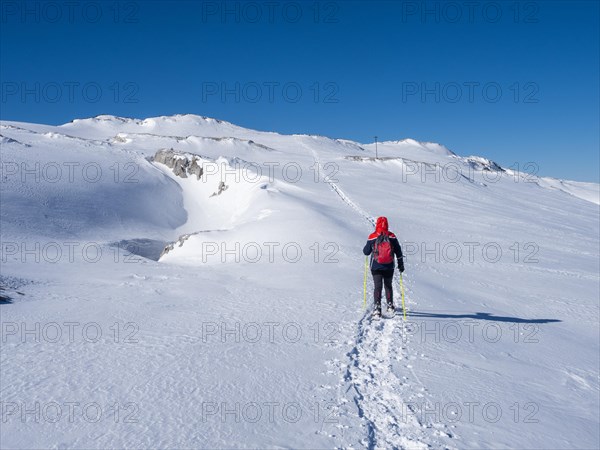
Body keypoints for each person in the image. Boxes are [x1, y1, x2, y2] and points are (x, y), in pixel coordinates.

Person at [363, 216, 404, 317]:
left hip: (376, 266)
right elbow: (398, 251)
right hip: (389, 266)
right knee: (388, 285)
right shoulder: (392, 236)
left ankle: (377, 308)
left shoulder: (373, 236)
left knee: (378, 286)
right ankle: (390, 305)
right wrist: (401, 264)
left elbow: (366, 252)